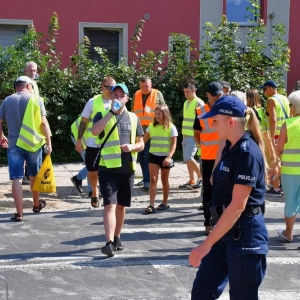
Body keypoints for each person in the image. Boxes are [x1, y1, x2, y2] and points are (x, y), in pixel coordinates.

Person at [190, 95, 268, 300]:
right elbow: (214, 181)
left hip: (245, 237)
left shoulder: (246, 153)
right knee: (202, 292)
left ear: (231, 122)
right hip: (225, 233)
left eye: (215, 121)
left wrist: (206, 244)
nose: (212, 125)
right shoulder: (230, 147)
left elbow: (237, 206)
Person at [92, 83, 144, 257]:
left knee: (121, 206)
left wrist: (132, 146)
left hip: (127, 168)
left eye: (121, 95)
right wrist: (111, 113)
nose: (118, 98)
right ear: (111, 97)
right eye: (115, 95)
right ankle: (108, 242)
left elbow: (142, 144)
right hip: (107, 167)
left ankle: (117, 236)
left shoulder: (134, 118)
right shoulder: (102, 114)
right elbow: (94, 131)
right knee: (110, 204)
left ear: (127, 99)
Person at [0, 76, 52, 222]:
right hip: (33, 144)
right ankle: (36, 205)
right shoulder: (37, 100)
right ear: (29, 86)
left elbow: (0, 120)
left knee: (16, 178)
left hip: (14, 143)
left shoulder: (7, 100)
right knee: (34, 175)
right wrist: (49, 143)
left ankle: (19, 213)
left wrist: (1, 136)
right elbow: (44, 123)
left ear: (16, 87)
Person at [72, 76, 115, 207]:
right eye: (109, 87)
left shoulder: (117, 102)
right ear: (102, 87)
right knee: (92, 170)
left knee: (107, 171)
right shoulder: (93, 102)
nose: (112, 90)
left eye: (114, 88)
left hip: (109, 144)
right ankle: (95, 192)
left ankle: (105, 192)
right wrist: (79, 141)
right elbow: (84, 122)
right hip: (93, 142)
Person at [194, 82, 224, 235]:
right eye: (215, 95)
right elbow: (197, 133)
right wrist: (203, 146)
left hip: (224, 156)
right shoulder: (200, 111)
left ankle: (222, 221)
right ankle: (208, 222)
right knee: (208, 191)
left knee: (224, 190)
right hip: (208, 157)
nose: (218, 97)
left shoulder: (225, 108)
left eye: (220, 94)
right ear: (207, 95)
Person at [270, 90, 300, 242]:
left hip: (290, 171)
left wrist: (273, 169)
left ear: (295, 107)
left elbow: (279, 150)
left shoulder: (287, 125)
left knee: (291, 202)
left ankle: (289, 233)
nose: (289, 107)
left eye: (290, 105)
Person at [131, 76, 165, 191]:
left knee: (147, 154)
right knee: (141, 155)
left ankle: (147, 180)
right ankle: (146, 177)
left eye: (147, 86)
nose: (144, 89)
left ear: (151, 85)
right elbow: (132, 111)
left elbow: (163, 110)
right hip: (139, 129)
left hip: (152, 129)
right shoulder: (136, 94)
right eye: (142, 86)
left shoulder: (157, 94)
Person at [143, 104, 177, 214]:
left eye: (159, 114)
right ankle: (151, 205)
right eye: (156, 113)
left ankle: (165, 203)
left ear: (165, 114)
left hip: (166, 157)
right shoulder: (151, 126)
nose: (157, 116)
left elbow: (174, 144)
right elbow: (143, 141)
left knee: (164, 180)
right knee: (153, 179)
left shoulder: (171, 127)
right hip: (153, 155)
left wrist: (169, 157)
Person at [261, 79, 290, 196]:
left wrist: (272, 136)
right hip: (286, 132)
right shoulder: (285, 98)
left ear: (271, 88)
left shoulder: (271, 100)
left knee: (275, 161)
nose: (264, 92)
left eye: (265, 89)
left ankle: (276, 189)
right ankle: (283, 186)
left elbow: (273, 119)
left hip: (276, 134)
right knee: (282, 161)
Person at [179, 82, 204, 190]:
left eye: (188, 91)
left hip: (193, 136)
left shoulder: (199, 103)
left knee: (189, 157)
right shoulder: (186, 103)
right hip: (186, 135)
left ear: (194, 91)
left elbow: (202, 122)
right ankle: (191, 180)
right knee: (187, 159)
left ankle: (200, 178)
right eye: (184, 92)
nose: (186, 94)